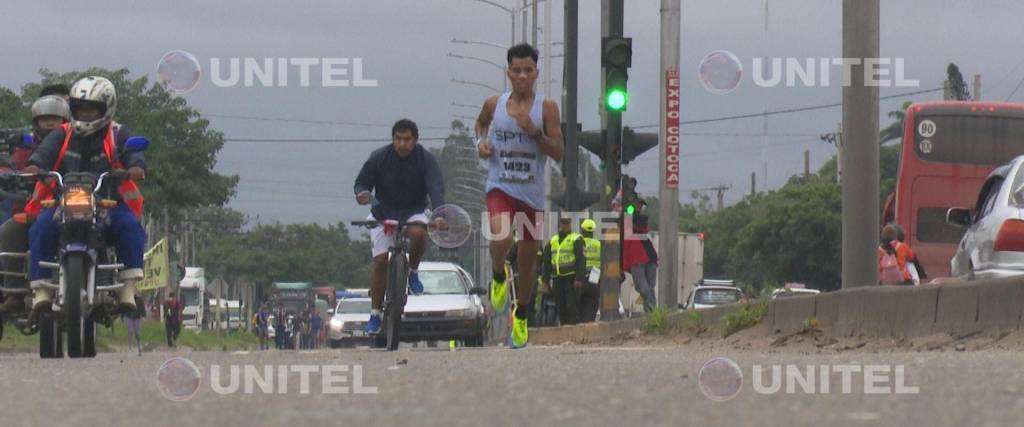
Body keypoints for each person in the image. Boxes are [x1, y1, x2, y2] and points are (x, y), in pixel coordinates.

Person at [22, 76, 147, 314]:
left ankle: (127, 287)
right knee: (41, 226)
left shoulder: (118, 132)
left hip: (108, 202)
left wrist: (135, 166)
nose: (85, 114)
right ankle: (42, 291)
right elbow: (42, 155)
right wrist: (35, 168)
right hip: (64, 201)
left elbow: (134, 154)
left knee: (130, 225)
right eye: (80, 108)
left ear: (106, 107)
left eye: (92, 109)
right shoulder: (62, 133)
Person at [475, 43, 564, 348]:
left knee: (528, 259)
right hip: (500, 186)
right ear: (508, 73)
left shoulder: (546, 108)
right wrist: (481, 144)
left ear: (536, 74)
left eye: (528, 71)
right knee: (501, 240)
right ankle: (499, 277)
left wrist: (535, 133)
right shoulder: (494, 104)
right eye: (517, 70)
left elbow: (559, 152)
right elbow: (481, 125)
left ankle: (522, 314)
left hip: (531, 194)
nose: (522, 76)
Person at [353, 118, 445, 334]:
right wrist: (362, 194)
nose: (402, 144)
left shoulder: (426, 160)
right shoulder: (378, 157)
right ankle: (375, 313)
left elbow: (436, 188)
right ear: (392, 140)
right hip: (383, 213)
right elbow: (361, 183)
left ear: (415, 140)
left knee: (418, 233)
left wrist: (440, 213)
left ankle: (412, 270)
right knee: (379, 262)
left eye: (407, 139)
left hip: (414, 211)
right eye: (398, 139)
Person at [0, 95, 70, 314]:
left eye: (55, 119)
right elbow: (14, 169)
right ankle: (15, 293)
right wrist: (14, 176)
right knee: (10, 230)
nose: (49, 124)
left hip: (73, 208)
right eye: (44, 119)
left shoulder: (76, 143)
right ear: (36, 122)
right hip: (35, 208)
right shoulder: (24, 147)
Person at [541, 217, 586, 325]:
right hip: (557, 278)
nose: (564, 225)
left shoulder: (576, 239)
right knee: (560, 304)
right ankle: (564, 326)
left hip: (571, 277)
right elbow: (546, 262)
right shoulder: (553, 240)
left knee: (571, 305)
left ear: (570, 225)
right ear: (559, 225)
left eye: (567, 223)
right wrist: (545, 281)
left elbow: (581, 259)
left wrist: (579, 278)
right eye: (563, 223)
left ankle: (573, 328)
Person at [623, 215, 657, 312]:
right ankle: (652, 314)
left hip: (640, 259)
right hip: (650, 258)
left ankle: (653, 311)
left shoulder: (630, 233)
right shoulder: (642, 235)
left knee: (642, 288)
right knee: (649, 288)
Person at [578, 218, 602, 323]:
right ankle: (590, 321)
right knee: (592, 300)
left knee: (579, 300)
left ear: (582, 231)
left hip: (581, 275)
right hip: (594, 275)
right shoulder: (598, 244)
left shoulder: (579, 243)